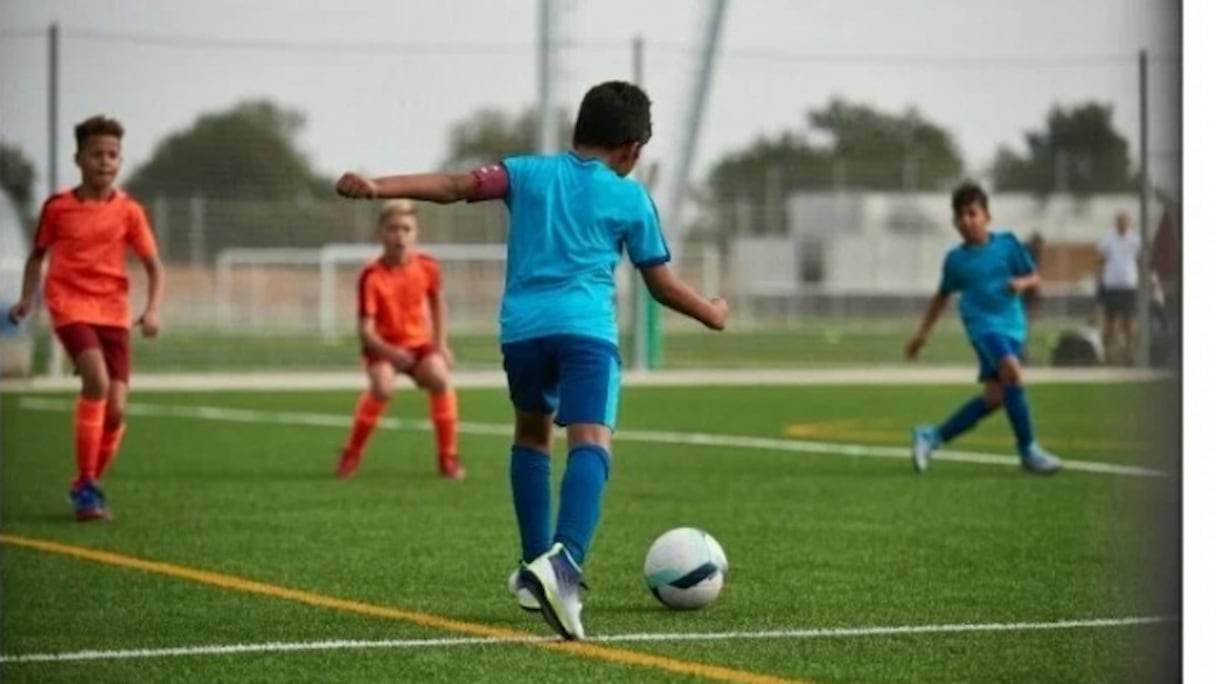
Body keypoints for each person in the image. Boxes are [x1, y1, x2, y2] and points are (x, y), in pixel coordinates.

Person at [334, 80, 728, 640]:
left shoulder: (525, 173)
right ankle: (564, 566)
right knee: (591, 440)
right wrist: (711, 312)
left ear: (578, 129)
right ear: (633, 149)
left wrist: (378, 187)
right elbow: (660, 285)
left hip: (522, 336)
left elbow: (453, 185)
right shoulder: (631, 197)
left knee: (532, 435)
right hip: (585, 334)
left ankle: (532, 566)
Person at [7, 114, 165, 521]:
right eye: (96, 154)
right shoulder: (57, 208)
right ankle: (88, 485)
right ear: (78, 159)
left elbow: (154, 266)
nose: (105, 162)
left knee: (116, 410)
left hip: (113, 311)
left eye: (112, 155)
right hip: (70, 304)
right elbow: (37, 255)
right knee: (96, 380)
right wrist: (27, 298)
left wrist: (151, 309)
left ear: (120, 161)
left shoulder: (129, 211)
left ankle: (85, 485)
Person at [904, 181, 1060, 476]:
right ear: (954, 222)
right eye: (960, 215)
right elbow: (941, 296)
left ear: (987, 216)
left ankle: (932, 436)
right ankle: (1028, 450)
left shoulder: (1008, 244)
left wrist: (1021, 283)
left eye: (972, 213)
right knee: (1012, 371)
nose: (966, 220)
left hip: (1013, 327)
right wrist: (922, 335)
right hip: (983, 328)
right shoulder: (955, 261)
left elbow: (1033, 276)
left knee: (995, 397)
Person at [336, 199, 465, 480]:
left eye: (406, 229)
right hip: (383, 346)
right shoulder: (371, 275)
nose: (400, 236)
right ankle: (351, 453)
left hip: (418, 345)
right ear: (381, 233)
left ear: (416, 232)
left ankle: (448, 456)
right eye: (393, 228)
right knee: (382, 386)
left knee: (439, 376)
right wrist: (391, 353)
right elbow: (365, 331)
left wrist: (441, 344)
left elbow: (437, 303)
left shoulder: (428, 266)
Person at [1096, 212, 1141, 365]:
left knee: (1128, 322)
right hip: (1111, 285)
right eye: (1119, 221)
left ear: (1129, 223)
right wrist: (1100, 282)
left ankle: (1129, 354)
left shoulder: (1135, 239)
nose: (1122, 224)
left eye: (1125, 221)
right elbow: (1100, 261)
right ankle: (1107, 355)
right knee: (1109, 322)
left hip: (1129, 284)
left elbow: (1140, 260)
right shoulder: (1107, 238)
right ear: (1116, 223)